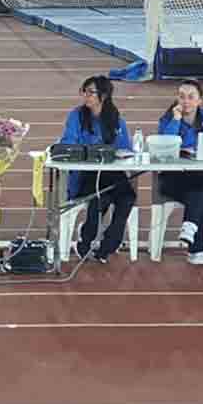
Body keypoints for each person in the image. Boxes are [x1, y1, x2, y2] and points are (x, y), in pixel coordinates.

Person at [58, 75, 135, 263]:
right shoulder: (76, 116)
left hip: (112, 172)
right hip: (86, 174)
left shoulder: (116, 119)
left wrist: (115, 153)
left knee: (128, 197)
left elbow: (126, 148)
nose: (86, 96)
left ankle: (111, 242)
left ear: (104, 95)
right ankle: (85, 241)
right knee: (101, 197)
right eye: (84, 91)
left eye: (91, 92)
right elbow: (68, 143)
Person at [156, 80, 203, 265]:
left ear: (200, 100)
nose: (185, 101)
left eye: (191, 97)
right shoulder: (167, 119)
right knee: (200, 193)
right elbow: (164, 147)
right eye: (181, 96)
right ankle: (196, 249)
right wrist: (176, 120)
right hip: (175, 179)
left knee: (200, 189)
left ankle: (190, 228)